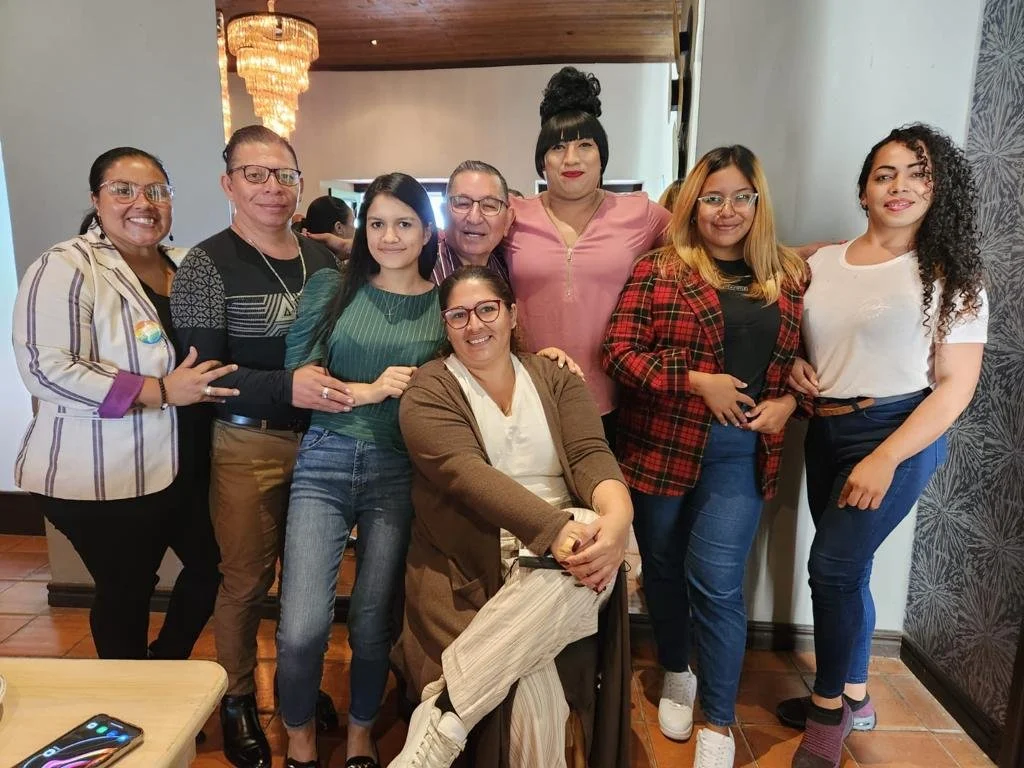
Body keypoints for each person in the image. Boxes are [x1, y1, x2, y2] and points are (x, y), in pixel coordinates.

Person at [779, 124, 987, 768]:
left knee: (832, 568)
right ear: (864, 190)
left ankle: (826, 710)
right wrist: (791, 364)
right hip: (826, 430)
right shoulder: (819, 262)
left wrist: (885, 455)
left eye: (916, 174)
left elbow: (954, 390)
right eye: (885, 174)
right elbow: (792, 328)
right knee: (852, 570)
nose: (899, 187)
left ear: (937, 189)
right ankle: (858, 692)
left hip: (897, 433)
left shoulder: (951, 277)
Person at [602, 145, 807, 767]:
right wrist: (696, 381)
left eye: (740, 196)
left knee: (717, 583)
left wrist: (790, 405)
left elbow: (808, 364)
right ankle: (676, 668)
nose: (726, 210)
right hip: (661, 443)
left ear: (757, 201)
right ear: (692, 202)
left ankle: (718, 720)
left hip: (741, 452)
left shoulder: (789, 275)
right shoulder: (659, 269)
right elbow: (620, 353)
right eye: (712, 197)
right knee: (661, 566)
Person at [389, 266, 634, 768]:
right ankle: (452, 712)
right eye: (458, 315)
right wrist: (555, 532)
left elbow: (590, 452)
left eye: (487, 309)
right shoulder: (428, 390)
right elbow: (465, 474)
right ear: (445, 325)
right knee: (530, 700)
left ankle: (444, 716)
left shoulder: (554, 376)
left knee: (591, 539)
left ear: (512, 314)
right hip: (472, 559)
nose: (474, 324)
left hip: (569, 551)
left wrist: (618, 519)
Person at [170, 125, 351, 768]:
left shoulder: (323, 262)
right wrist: (287, 386)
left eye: (284, 175)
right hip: (250, 446)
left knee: (309, 584)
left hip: (326, 444)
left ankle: (297, 690)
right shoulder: (204, 263)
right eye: (255, 175)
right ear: (229, 184)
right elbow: (203, 377)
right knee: (246, 580)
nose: (272, 188)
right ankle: (239, 697)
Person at [12, 146, 234, 662]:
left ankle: (165, 664)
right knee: (127, 586)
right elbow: (47, 368)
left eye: (157, 191)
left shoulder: (187, 264)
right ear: (96, 199)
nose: (144, 203)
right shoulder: (66, 266)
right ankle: (131, 700)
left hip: (186, 462)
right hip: (102, 471)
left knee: (217, 567)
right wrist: (157, 392)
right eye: (124, 190)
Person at [276, 172, 445, 768]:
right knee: (300, 624)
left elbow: (466, 382)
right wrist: (369, 391)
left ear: (427, 231)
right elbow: (300, 379)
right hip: (324, 459)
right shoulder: (331, 287)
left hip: (400, 471)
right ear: (363, 227)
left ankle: (359, 733)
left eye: (404, 223)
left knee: (375, 619)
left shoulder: (445, 303)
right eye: (377, 223)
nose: (390, 236)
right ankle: (297, 733)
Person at [503, 66, 672, 448]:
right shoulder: (513, 214)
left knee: (604, 504)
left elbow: (704, 246)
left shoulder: (640, 213)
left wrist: (794, 255)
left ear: (602, 156)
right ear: (542, 161)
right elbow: (452, 243)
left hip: (616, 401)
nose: (570, 158)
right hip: (528, 395)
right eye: (557, 147)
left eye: (584, 145)